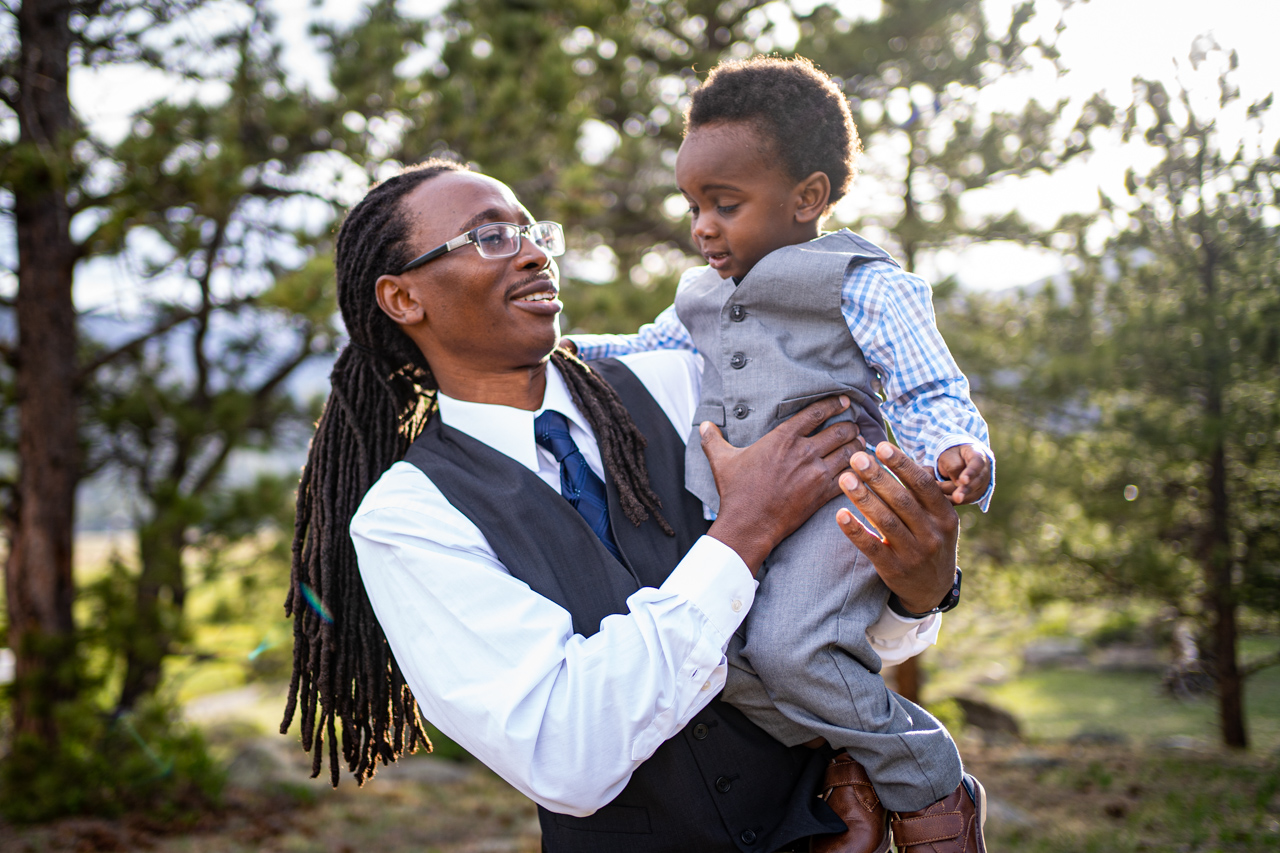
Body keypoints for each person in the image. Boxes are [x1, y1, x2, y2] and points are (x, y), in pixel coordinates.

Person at [281, 158, 964, 853]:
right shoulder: (408, 517)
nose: (532, 253)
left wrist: (916, 596)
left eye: (533, 231)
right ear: (403, 298)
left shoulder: (682, 382)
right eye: (489, 238)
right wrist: (742, 533)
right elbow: (564, 754)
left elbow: (828, 622)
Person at [570, 56, 992, 853]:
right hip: (741, 517)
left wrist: (957, 452)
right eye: (693, 205)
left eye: (724, 205)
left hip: (840, 506)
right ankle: (849, 759)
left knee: (788, 649)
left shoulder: (861, 284)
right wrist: (562, 350)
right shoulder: (698, 294)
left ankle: (929, 785)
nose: (702, 227)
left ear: (808, 197)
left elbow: (926, 386)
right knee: (711, 655)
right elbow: (638, 348)